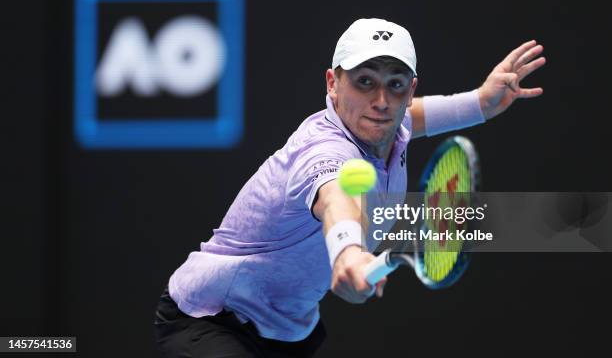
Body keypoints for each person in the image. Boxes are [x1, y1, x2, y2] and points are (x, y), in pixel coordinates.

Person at [153, 18, 545, 357]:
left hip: (287, 329)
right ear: (333, 83)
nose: (380, 100)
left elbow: (416, 117)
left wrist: (481, 102)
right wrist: (348, 254)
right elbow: (336, 198)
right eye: (364, 82)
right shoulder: (324, 150)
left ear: (409, 91)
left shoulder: (394, 122)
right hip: (213, 318)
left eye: (395, 85)